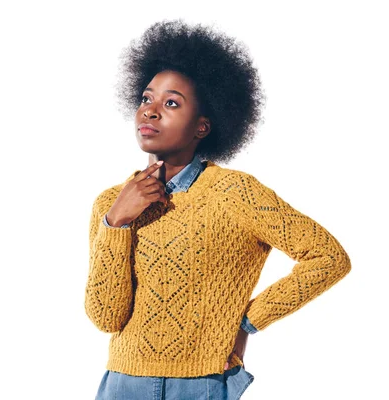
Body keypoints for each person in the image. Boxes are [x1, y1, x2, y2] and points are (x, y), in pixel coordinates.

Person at [84, 20, 351, 400]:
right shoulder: (111, 203)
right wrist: (117, 222)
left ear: (203, 126)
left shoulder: (235, 193)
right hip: (121, 384)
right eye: (146, 99)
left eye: (171, 103)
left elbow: (328, 257)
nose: (151, 111)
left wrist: (246, 323)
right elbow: (105, 317)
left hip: (201, 384)